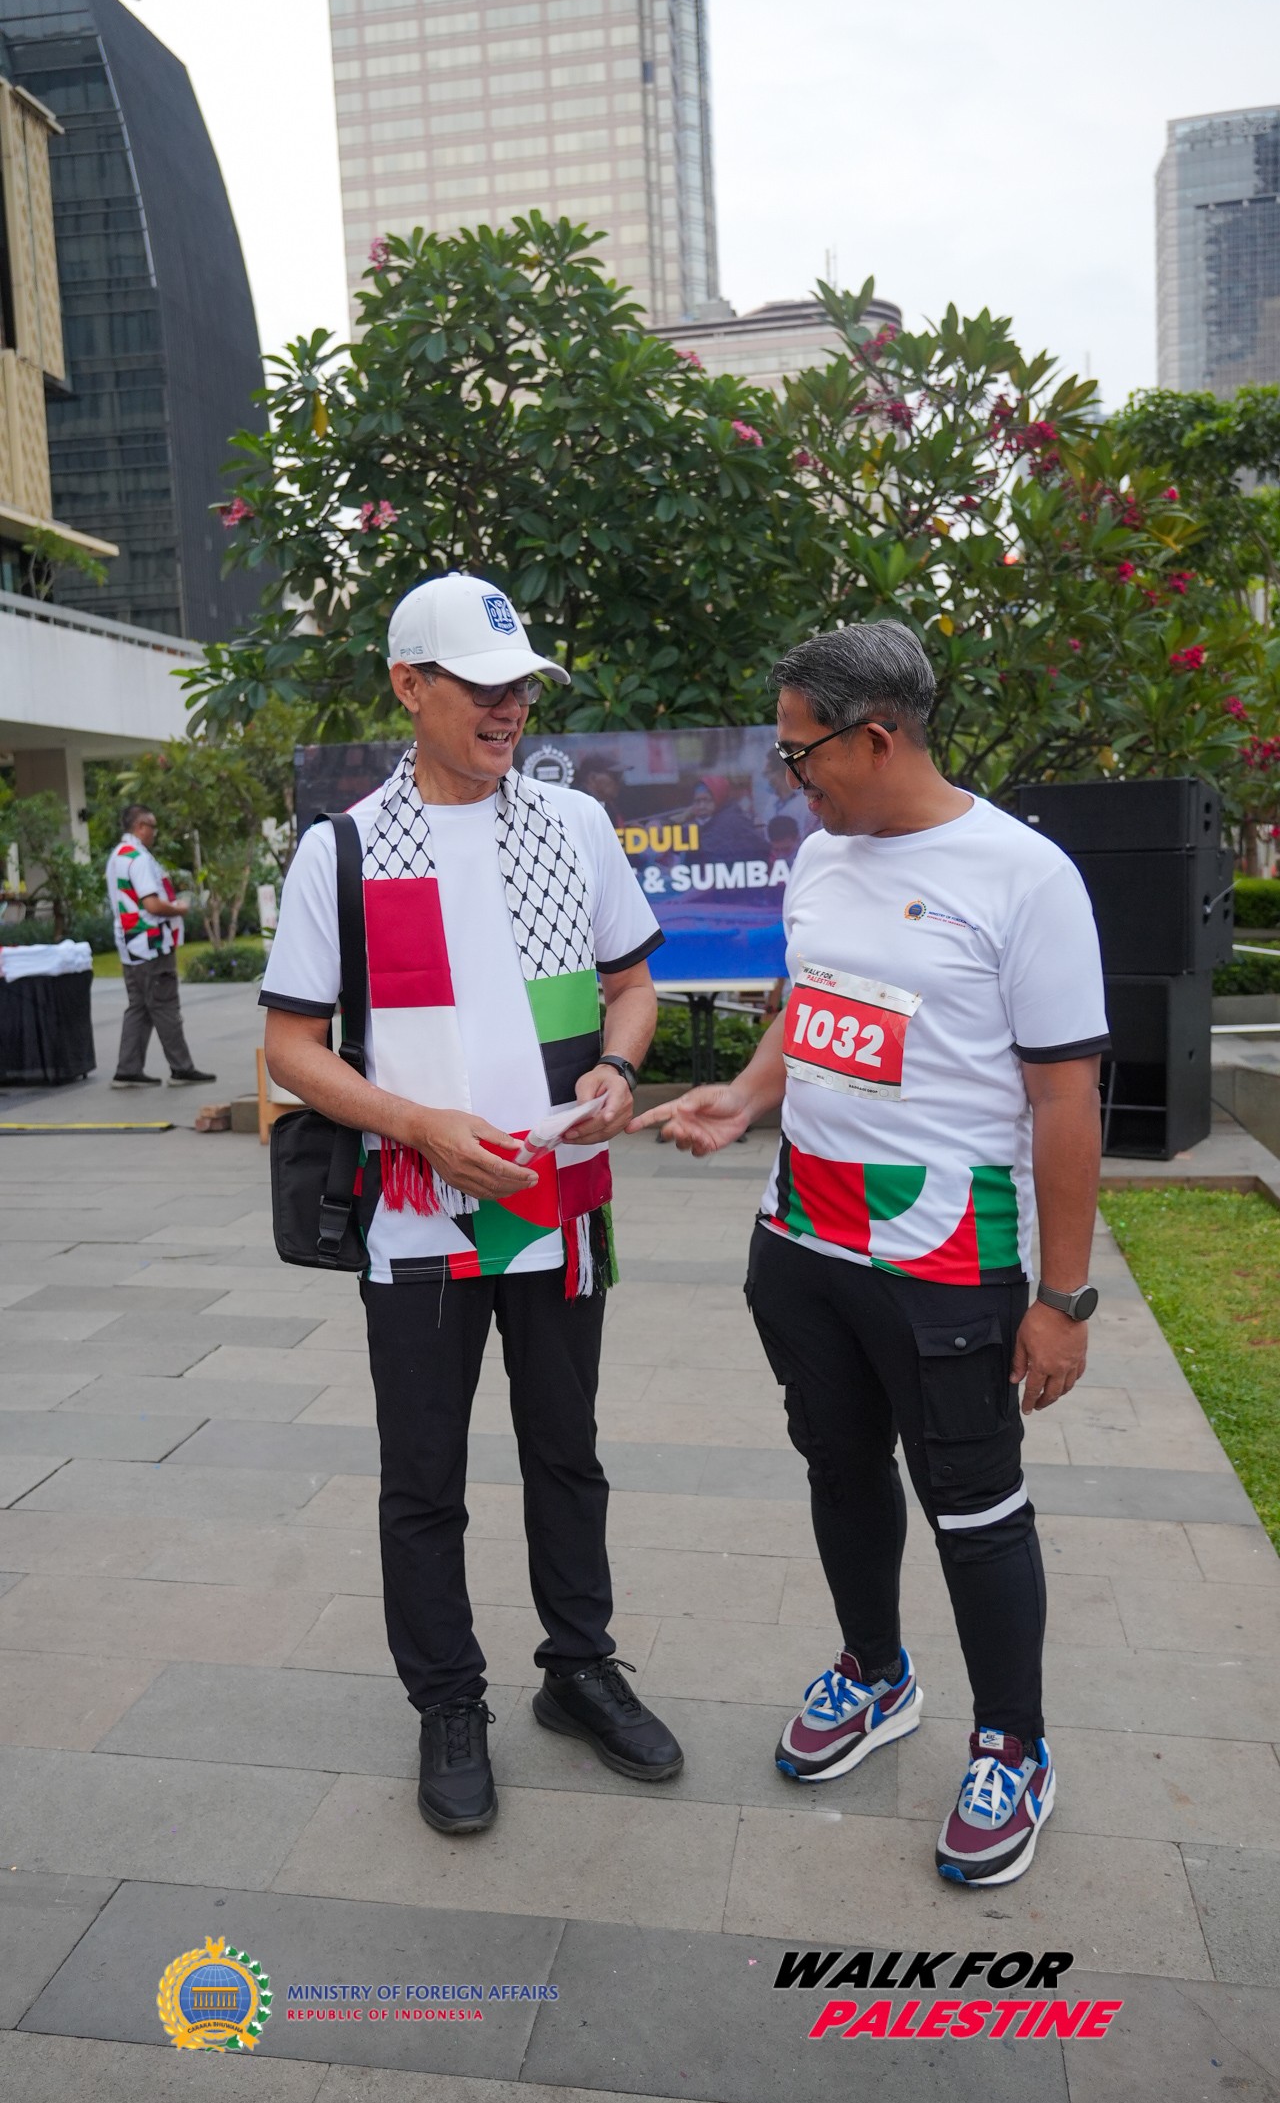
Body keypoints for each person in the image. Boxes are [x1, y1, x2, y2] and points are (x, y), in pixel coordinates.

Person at [634, 620, 1108, 1888]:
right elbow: (811, 1004)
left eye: (800, 755)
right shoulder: (822, 856)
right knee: (839, 1467)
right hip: (801, 1238)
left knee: (972, 1506)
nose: (790, 780)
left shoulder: (1023, 877)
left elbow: (1064, 1098)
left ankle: (1012, 1744)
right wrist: (744, 1097)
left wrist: (1062, 1299)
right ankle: (873, 1673)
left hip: (945, 1255)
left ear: (877, 738)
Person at [260, 570, 684, 1836]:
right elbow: (290, 1048)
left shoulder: (575, 825)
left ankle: (579, 1669)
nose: (509, 711)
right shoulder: (342, 849)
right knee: (423, 1477)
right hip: (416, 1216)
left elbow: (632, 987)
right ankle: (448, 1703)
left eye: (521, 690)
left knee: (566, 1452)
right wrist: (418, 1126)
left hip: (561, 1205)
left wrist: (618, 1070)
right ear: (408, 685)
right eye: (482, 687)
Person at [107, 804, 216, 1089]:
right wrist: (179, 908)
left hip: (130, 944)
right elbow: (152, 904)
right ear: (140, 826)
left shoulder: (117, 856)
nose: (154, 833)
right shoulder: (139, 858)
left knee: (139, 1007)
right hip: (151, 944)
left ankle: (128, 1070)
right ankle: (182, 1069)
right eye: (152, 827)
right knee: (165, 1006)